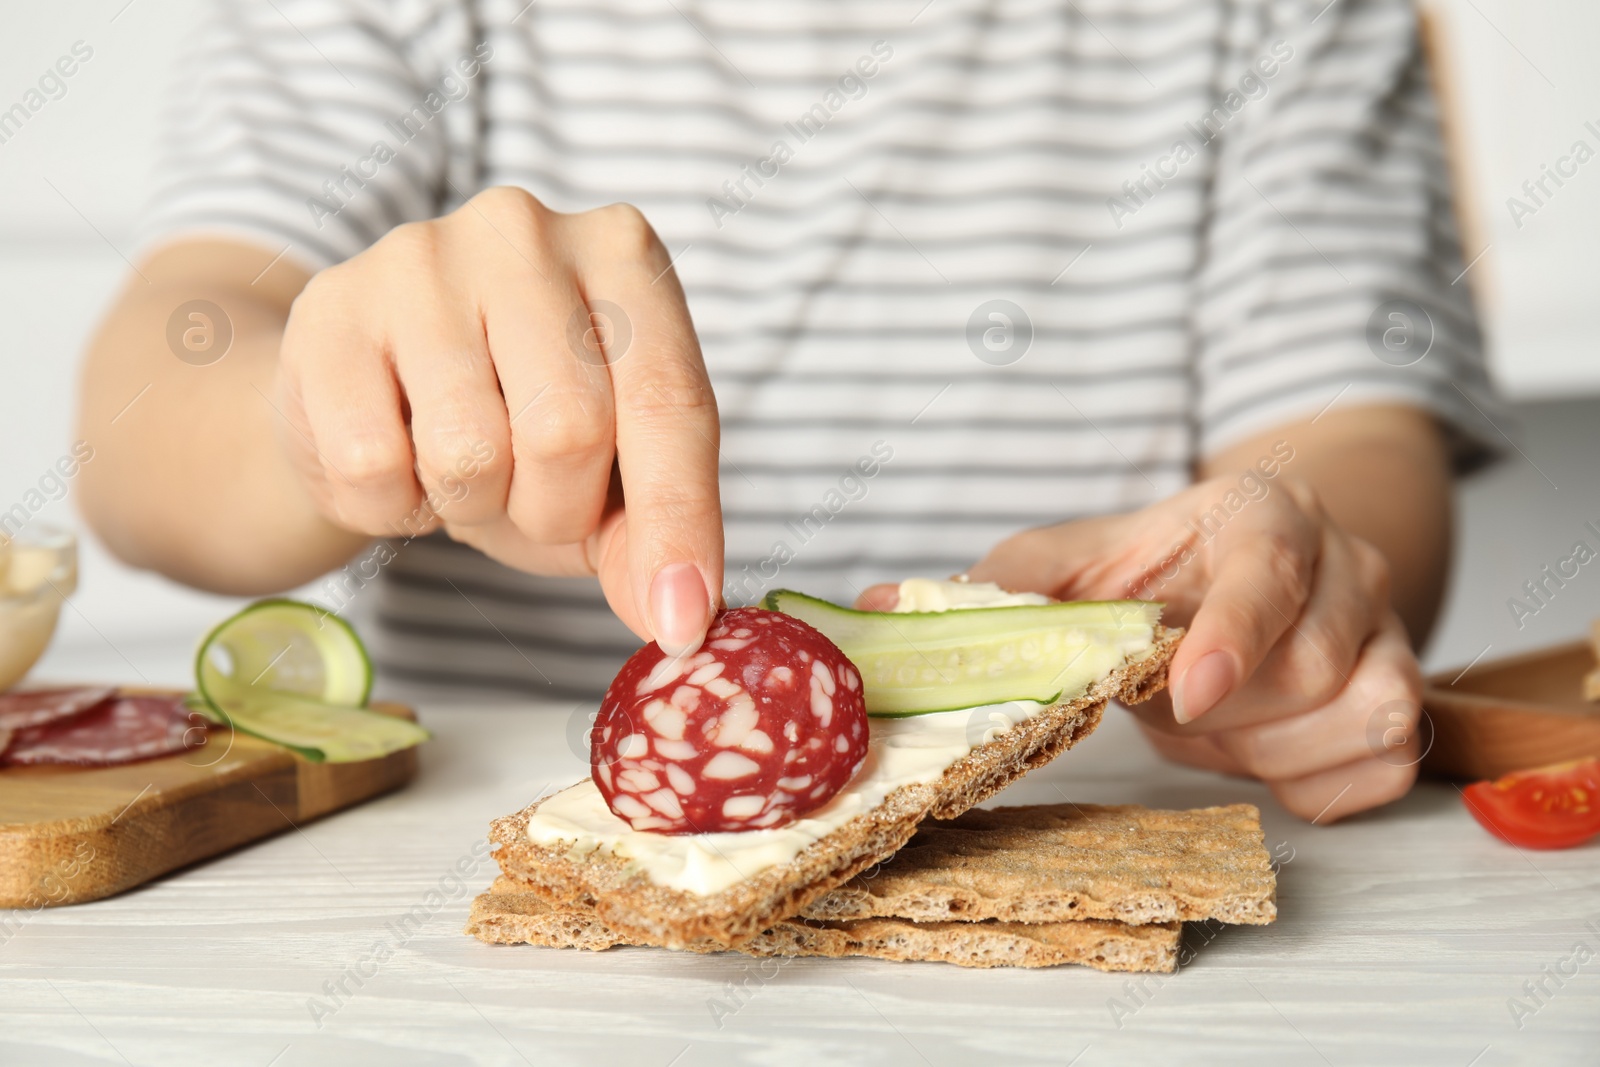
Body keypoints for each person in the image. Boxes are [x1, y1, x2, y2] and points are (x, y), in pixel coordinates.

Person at [76, 0, 1500, 823]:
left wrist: (1282, 565)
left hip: (1118, 809)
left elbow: (1355, 440)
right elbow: (144, 412)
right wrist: (316, 423)